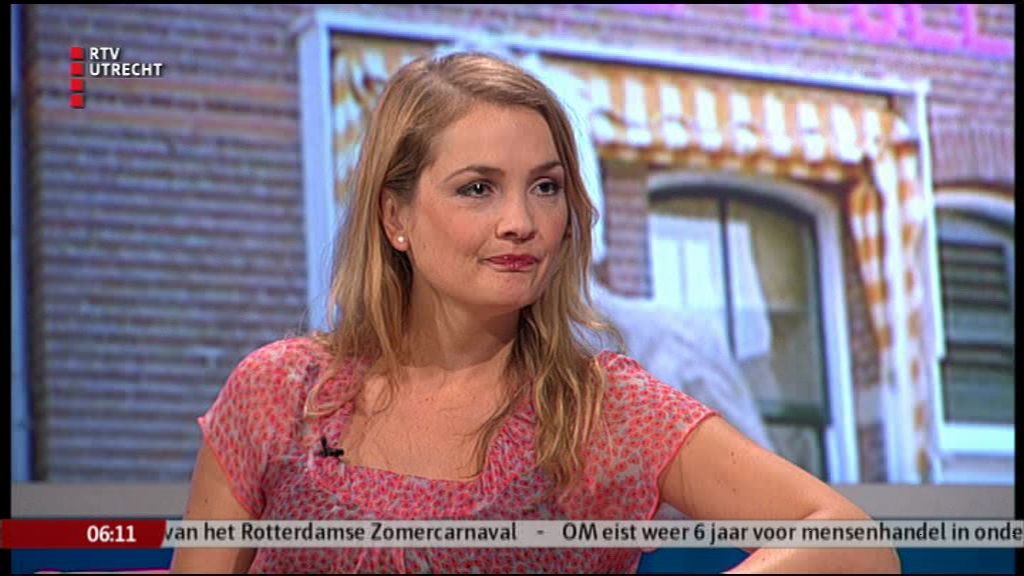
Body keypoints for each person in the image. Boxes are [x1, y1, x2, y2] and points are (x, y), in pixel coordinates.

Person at [171, 52, 900, 574]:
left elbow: (852, 541)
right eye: (478, 188)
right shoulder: (281, 392)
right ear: (395, 216)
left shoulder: (603, 412)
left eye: (545, 188)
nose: (521, 222)